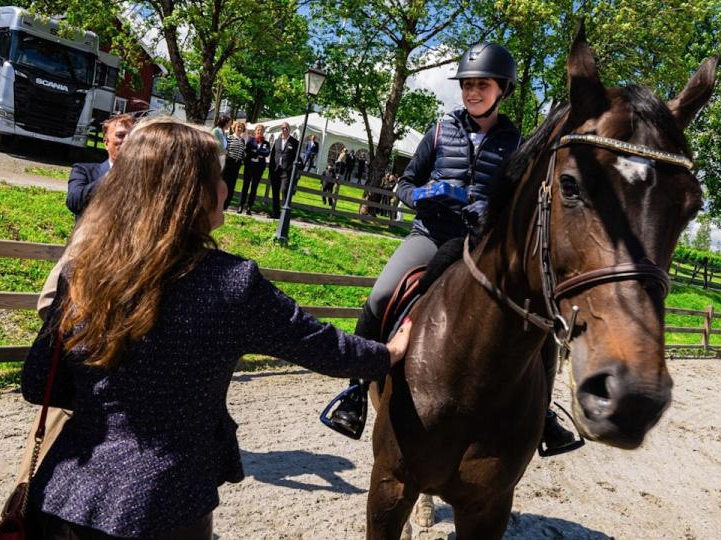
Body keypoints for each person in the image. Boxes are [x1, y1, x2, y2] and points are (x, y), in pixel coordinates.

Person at [21, 117, 414, 540]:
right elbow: (318, 344)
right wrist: (386, 354)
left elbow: (39, 382)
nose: (226, 187)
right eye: (217, 177)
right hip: (165, 506)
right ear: (193, 194)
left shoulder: (82, 273)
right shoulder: (231, 284)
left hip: (63, 496)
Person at [323, 43, 577, 453]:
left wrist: (489, 209)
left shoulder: (515, 143)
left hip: (484, 246)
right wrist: (424, 195)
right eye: (467, 85)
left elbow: (521, 201)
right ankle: (354, 391)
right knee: (381, 294)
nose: (473, 92)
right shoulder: (440, 130)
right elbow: (403, 183)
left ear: (502, 90)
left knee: (539, 316)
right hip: (431, 236)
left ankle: (544, 413)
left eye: (482, 85)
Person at [65, 113, 136, 222]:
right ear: (106, 143)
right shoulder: (83, 171)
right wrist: (114, 174)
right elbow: (74, 202)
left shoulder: (143, 177)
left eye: (133, 136)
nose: (127, 140)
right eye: (120, 135)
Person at [268, 122, 300, 219]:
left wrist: (294, 170)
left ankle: (284, 213)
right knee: (275, 191)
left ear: (289, 130)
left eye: (286, 128)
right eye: (282, 128)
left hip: (286, 171)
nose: (284, 130)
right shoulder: (277, 141)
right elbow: (273, 155)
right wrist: (271, 169)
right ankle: (275, 213)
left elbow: (297, 157)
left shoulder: (294, 142)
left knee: (284, 190)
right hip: (276, 170)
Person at [239, 124, 270, 215]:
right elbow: (247, 150)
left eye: (261, 130)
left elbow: (266, 153)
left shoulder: (266, 143)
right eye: (258, 130)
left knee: (254, 187)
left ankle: (249, 207)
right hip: (249, 166)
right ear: (255, 131)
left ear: (263, 132)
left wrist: (256, 151)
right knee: (245, 186)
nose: (259, 131)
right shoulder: (250, 140)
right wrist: (258, 153)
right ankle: (241, 205)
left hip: (259, 168)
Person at [222, 121, 248, 210]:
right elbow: (225, 149)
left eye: (241, 127)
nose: (239, 128)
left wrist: (242, 159)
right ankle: (220, 203)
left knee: (231, 185)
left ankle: (226, 205)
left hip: (237, 165)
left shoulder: (242, 140)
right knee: (224, 183)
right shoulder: (229, 138)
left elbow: (243, 152)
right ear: (234, 128)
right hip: (229, 163)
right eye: (238, 127)